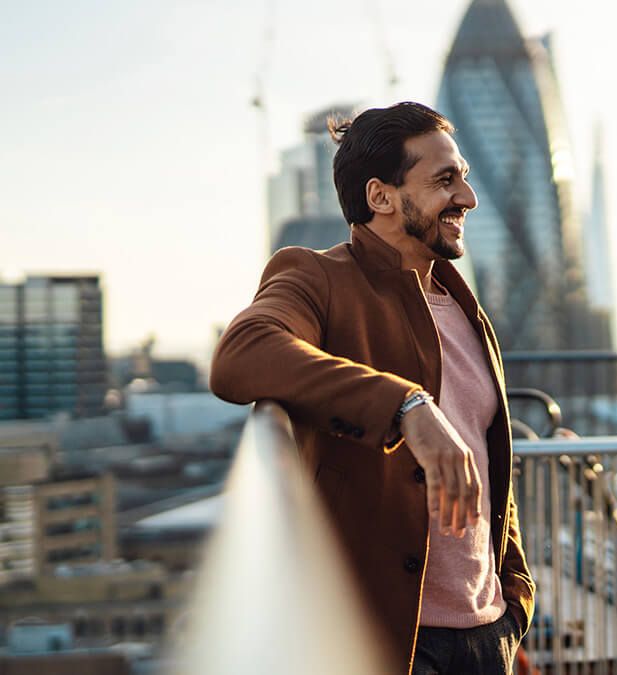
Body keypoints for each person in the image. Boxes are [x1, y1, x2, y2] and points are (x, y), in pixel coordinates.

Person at [210, 102, 534, 674]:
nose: (468, 198)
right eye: (444, 180)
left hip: (490, 632)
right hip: (394, 643)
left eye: (463, 177)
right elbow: (243, 352)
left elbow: (487, 457)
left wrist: (515, 594)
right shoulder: (318, 276)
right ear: (381, 197)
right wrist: (406, 405)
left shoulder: (465, 306)